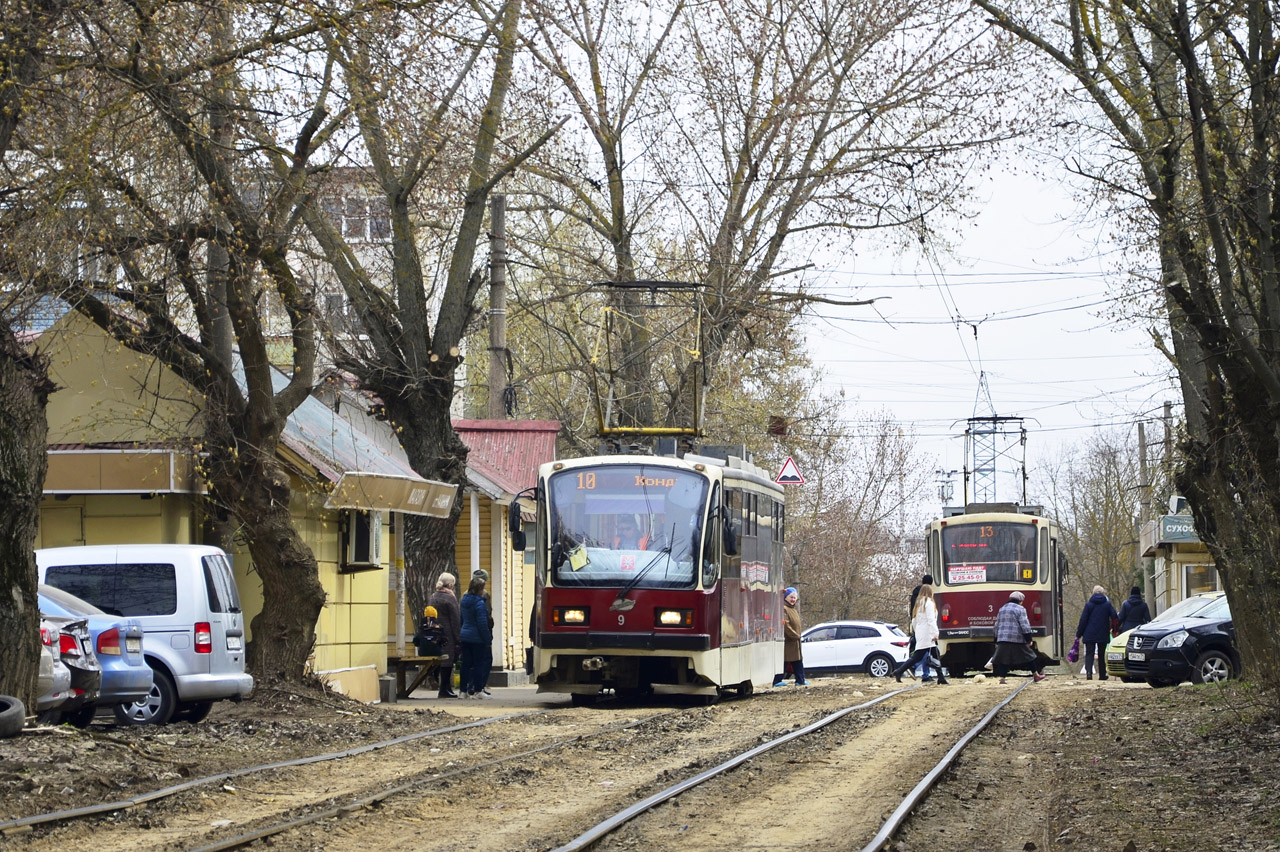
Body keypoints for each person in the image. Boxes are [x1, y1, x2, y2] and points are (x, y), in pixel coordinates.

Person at [893, 584, 948, 684]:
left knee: (933, 654)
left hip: (921, 632)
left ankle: (941, 677)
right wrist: (935, 633)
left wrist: (917, 632)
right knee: (919, 656)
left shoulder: (918, 604)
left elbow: (914, 620)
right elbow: (931, 620)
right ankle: (899, 671)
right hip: (928, 633)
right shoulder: (929, 603)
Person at [992, 591, 1047, 684]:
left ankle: (1002, 679)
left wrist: (996, 638)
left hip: (1003, 638)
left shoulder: (1002, 609)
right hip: (1016, 638)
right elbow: (1024, 625)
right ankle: (1036, 675)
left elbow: (996, 625)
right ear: (1020, 601)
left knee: (1003, 658)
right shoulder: (1020, 609)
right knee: (1030, 656)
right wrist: (1029, 639)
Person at [459, 574, 493, 698]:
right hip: (477, 638)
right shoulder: (479, 603)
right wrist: (487, 639)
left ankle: (463, 691)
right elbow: (482, 624)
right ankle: (478, 690)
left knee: (466, 664)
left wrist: (462, 631)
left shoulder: (464, 601)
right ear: (479, 589)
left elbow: (461, 619)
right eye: (482, 588)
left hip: (465, 635)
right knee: (479, 663)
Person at [1076, 585, 1119, 680]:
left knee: (1089, 653)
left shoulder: (1089, 605)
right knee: (1101, 654)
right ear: (1103, 593)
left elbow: (1083, 620)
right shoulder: (1107, 605)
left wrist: (1079, 634)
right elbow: (1114, 616)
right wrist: (1114, 629)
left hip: (1089, 633)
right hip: (1103, 632)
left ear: (1093, 593)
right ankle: (1102, 674)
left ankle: (1089, 673)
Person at [429, 572, 461, 699]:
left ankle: (445, 687)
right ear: (451, 584)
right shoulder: (450, 598)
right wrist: (458, 638)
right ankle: (444, 688)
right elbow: (455, 619)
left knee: (440, 660)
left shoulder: (433, 596)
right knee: (447, 661)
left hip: (435, 633)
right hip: (448, 634)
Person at [772, 587, 807, 686]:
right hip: (788, 641)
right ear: (785, 597)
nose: (793, 599)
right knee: (785, 661)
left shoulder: (793, 609)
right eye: (791, 597)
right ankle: (777, 681)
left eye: (795, 597)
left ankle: (800, 680)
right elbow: (785, 625)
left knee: (798, 661)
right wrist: (795, 636)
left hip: (795, 641)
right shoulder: (783, 608)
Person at [907, 574, 937, 680]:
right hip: (925, 628)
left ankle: (915, 668)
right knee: (925, 651)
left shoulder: (916, 595)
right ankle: (923, 673)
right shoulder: (926, 597)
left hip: (917, 625)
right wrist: (935, 632)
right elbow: (930, 617)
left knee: (922, 650)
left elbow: (913, 612)